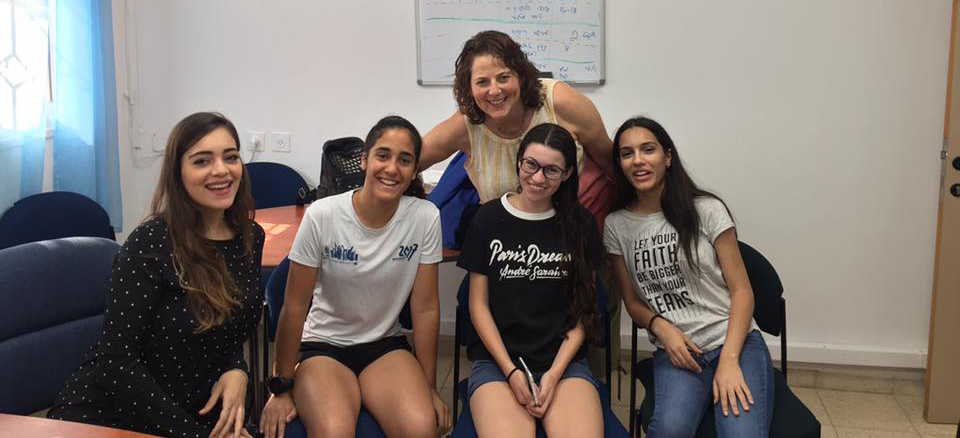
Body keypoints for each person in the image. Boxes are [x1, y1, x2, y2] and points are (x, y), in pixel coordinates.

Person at [48, 112, 264, 438]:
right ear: (178, 174)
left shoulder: (250, 237)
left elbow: (229, 318)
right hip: (111, 414)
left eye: (230, 157)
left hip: (191, 410)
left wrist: (238, 368)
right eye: (202, 161)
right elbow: (115, 361)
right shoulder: (151, 242)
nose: (221, 170)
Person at [421, 28, 620, 375]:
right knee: (473, 306)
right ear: (468, 88)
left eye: (503, 77)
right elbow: (407, 160)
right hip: (502, 258)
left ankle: (581, 382)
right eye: (482, 82)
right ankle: (494, 377)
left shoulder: (561, 103)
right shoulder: (467, 125)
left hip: (565, 247)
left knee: (590, 313)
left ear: (522, 74)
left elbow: (611, 163)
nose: (494, 90)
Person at [259, 116, 451, 438]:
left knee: (421, 428)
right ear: (364, 159)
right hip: (323, 346)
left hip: (384, 345)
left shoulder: (425, 217)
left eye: (405, 160)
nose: (392, 168)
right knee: (334, 432)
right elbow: (293, 307)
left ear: (414, 170)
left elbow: (426, 308)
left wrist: (429, 387)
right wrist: (281, 387)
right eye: (383, 155)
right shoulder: (322, 215)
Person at [603, 116, 775, 437]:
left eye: (648, 149)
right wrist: (662, 328)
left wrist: (729, 361)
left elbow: (742, 292)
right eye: (627, 153)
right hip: (678, 350)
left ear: (667, 157)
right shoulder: (616, 225)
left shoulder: (706, 209)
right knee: (670, 430)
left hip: (733, 341)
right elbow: (632, 302)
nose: (638, 160)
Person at [457, 123, 604, 437]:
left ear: (567, 174)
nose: (538, 178)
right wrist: (510, 371)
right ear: (519, 161)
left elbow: (584, 311)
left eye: (552, 170)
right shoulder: (488, 218)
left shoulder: (581, 224)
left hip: (564, 363)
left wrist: (554, 374)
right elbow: (478, 306)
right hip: (498, 362)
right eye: (531, 165)